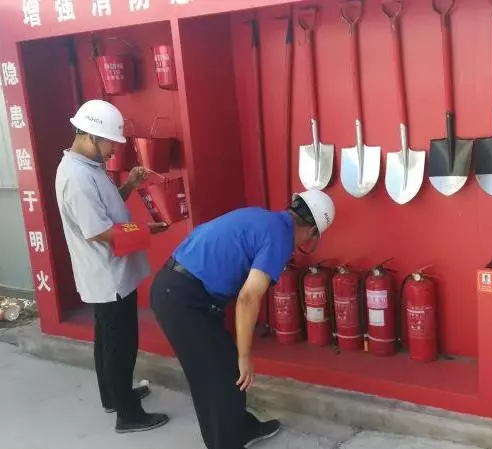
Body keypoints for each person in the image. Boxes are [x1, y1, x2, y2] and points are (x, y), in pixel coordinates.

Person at [150, 190, 335, 449]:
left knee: (226, 367)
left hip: (180, 289)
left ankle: (241, 428)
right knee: (214, 377)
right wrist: (245, 356)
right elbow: (248, 297)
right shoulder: (280, 238)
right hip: (182, 299)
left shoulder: (262, 217)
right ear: (312, 231)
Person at [55, 99, 170, 433]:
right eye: (110, 143)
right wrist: (146, 231)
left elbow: (106, 207)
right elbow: (99, 231)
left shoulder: (89, 167)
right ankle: (128, 414)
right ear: (90, 136)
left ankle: (113, 396)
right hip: (108, 277)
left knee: (107, 339)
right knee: (120, 345)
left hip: (111, 273)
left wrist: (130, 184)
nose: (113, 150)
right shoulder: (77, 177)